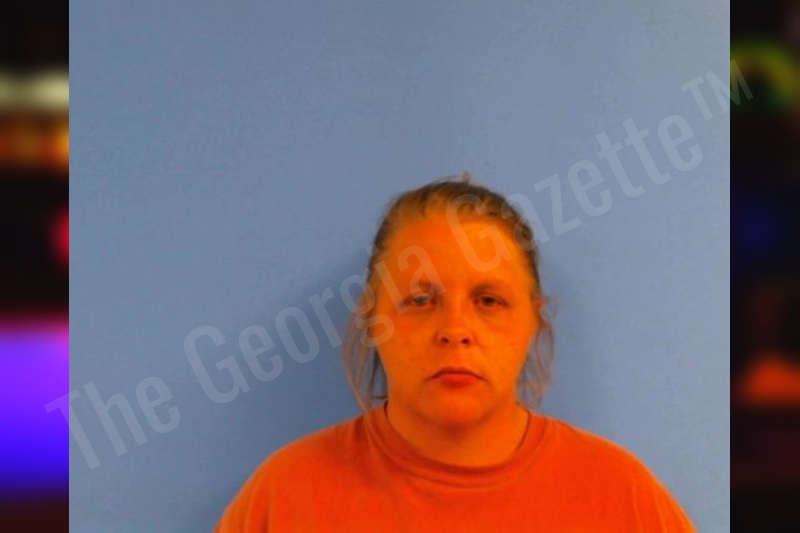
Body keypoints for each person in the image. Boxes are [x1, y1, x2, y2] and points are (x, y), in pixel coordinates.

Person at [214, 173, 696, 532]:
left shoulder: (620, 496)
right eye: (420, 300)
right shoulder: (286, 496)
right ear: (373, 319)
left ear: (533, 320)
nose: (455, 330)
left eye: (488, 301)